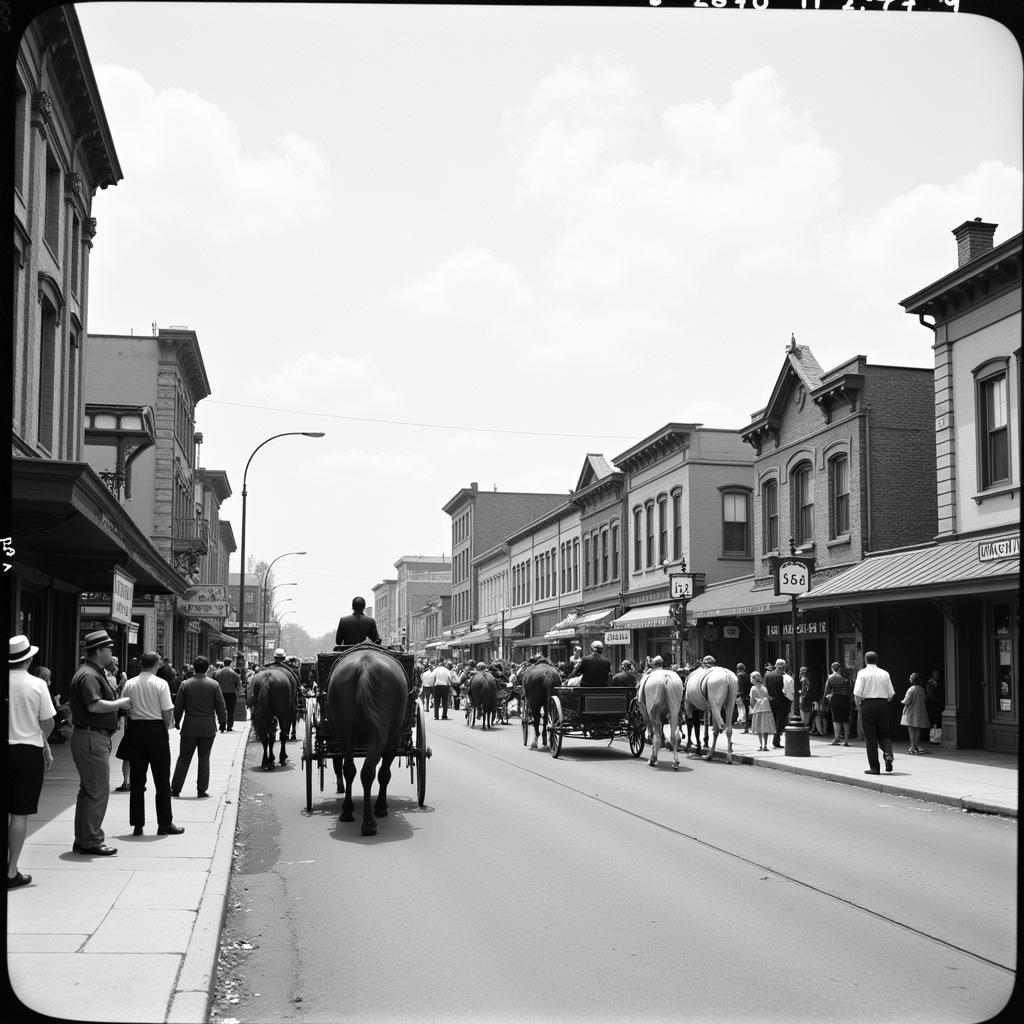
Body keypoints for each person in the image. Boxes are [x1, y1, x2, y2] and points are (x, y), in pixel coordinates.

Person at [68, 629, 132, 856]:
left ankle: (84, 838)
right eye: (109, 649)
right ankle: (92, 840)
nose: (111, 652)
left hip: (90, 737)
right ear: (99, 651)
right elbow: (94, 705)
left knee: (88, 791)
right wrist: (120, 703)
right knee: (97, 791)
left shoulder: (91, 672)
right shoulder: (89, 675)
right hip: (91, 738)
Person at [8, 635, 55, 887]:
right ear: (28, 659)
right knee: (19, 812)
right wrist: (42, 741)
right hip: (27, 751)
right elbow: (48, 722)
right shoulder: (37, 685)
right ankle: (11, 870)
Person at [121, 650, 183, 836]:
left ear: (141, 664)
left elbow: (125, 707)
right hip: (156, 731)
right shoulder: (160, 684)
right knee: (162, 780)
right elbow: (166, 712)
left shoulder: (130, 684)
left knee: (137, 780)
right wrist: (164, 728)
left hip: (136, 730)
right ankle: (164, 823)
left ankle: (137, 824)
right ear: (157, 665)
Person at [171, 655, 227, 798]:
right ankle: (201, 789)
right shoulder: (214, 685)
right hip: (208, 727)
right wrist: (222, 722)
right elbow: (221, 706)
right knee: (204, 758)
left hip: (189, 726)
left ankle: (175, 788)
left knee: (183, 758)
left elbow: (178, 707)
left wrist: (176, 721)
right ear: (208, 668)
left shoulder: (185, 684)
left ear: (193, 668)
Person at [853, 651, 896, 775]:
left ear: (866, 660)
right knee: (884, 734)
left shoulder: (862, 673)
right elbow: (891, 695)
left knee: (870, 738)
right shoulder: (885, 673)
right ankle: (888, 756)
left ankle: (875, 767)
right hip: (883, 705)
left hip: (868, 705)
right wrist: (883, 701)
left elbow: (857, 694)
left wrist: (858, 706)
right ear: (876, 660)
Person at [901, 672, 931, 755]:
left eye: (910, 677)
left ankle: (913, 747)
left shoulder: (911, 689)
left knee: (911, 730)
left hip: (911, 712)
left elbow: (907, 701)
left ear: (912, 680)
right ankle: (915, 746)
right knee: (918, 729)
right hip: (920, 712)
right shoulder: (921, 689)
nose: (909, 678)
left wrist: (902, 702)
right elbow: (926, 699)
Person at [823, 662, 852, 746]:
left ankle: (837, 738)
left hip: (836, 699)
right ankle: (846, 740)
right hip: (846, 699)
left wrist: (825, 700)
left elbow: (826, 691)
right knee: (845, 720)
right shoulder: (845, 677)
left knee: (836, 720)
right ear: (839, 669)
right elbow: (849, 690)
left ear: (832, 669)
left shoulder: (831, 677)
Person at [764, 659, 790, 748]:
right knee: (780, 721)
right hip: (782, 701)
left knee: (773, 720)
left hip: (771, 700)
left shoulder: (768, 675)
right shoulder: (783, 677)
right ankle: (776, 741)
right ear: (783, 667)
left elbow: (765, 688)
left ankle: (767, 742)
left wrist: (768, 697)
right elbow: (786, 691)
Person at [747, 670, 773, 751]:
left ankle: (760, 745)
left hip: (758, 708)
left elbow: (752, 702)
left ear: (753, 679)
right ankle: (765, 745)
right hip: (766, 708)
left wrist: (751, 708)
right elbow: (768, 697)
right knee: (765, 727)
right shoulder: (764, 687)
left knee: (758, 727)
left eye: (751, 678)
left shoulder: (753, 688)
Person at [215, 656, 241, 731]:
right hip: (231, 694)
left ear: (224, 663)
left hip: (220, 693)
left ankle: (222, 725)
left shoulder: (218, 673)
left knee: (221, 709)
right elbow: (238, 684)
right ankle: (229, 726)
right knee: (231, 710)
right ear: (231, 663)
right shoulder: (234, 673)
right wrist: (238, 692)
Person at [736, 663, 751, 733]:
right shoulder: (747, 675)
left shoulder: (739, 676)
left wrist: (739, 693)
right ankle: (746, 727)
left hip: (741, 695)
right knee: (746, 711)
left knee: (742, 711)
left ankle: (745, 727)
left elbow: (739, 686)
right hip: (747, 695)